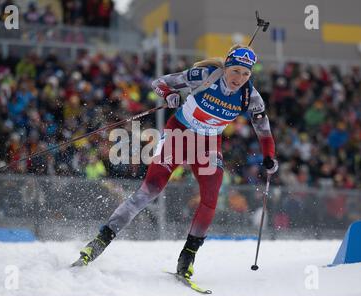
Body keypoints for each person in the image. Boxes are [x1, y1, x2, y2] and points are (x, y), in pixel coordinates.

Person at [72, 44, 279, 279]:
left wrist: (269, 156)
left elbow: (263, 129)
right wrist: (169, 95)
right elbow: (159, 83)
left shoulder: (250, 97)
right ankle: (99, 241)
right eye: (235, 71)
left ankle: (187, 259)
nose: (239, 78)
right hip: (179, 134)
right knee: (150, 190)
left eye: (246, 74)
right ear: (226, 67)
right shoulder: (204, 76)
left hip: (208, 144)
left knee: (211, 196)